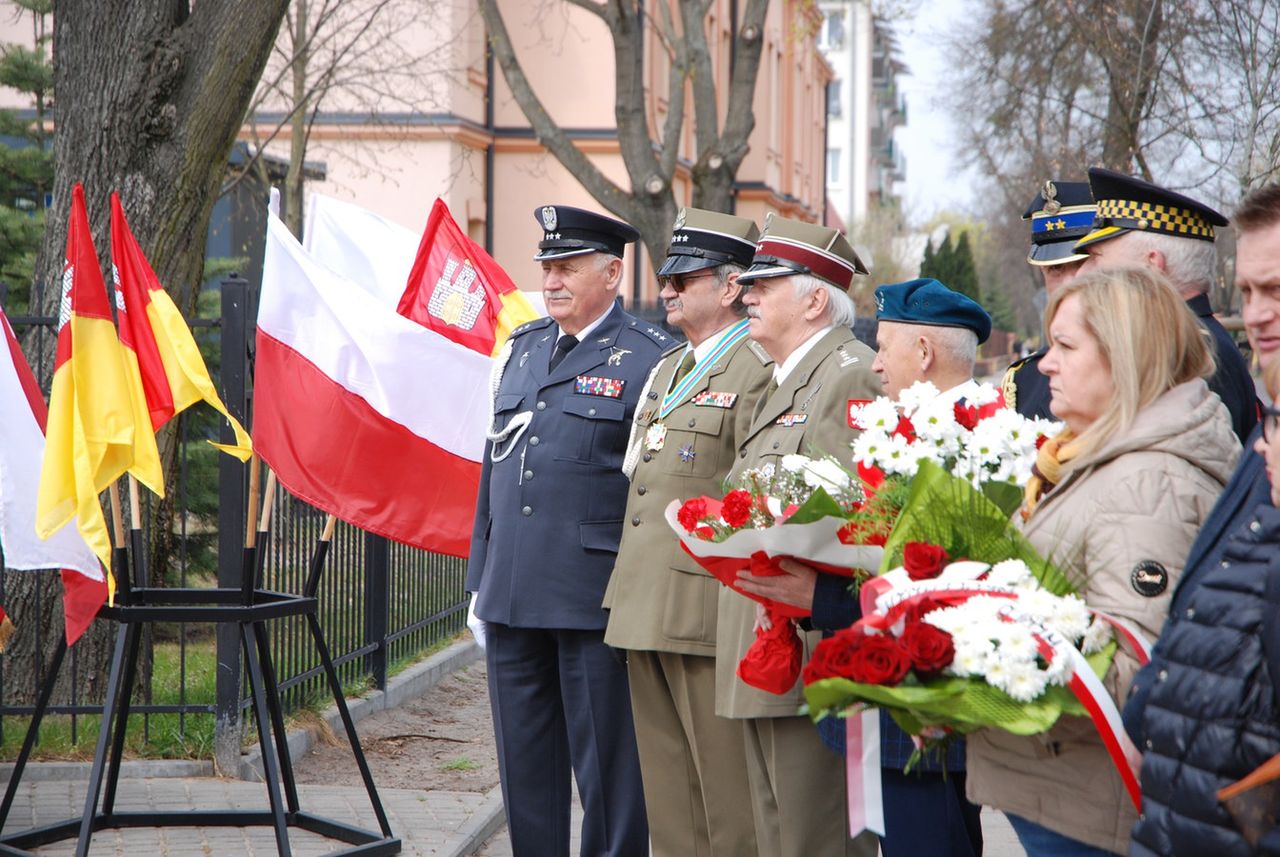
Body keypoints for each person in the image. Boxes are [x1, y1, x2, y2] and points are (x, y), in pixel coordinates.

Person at [964, 266, 1239, 856]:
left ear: (1125, 355)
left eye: (1065, 346)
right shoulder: (1095, 457)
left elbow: (1135, 671)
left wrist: (969, 659)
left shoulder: (1145, 482)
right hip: (1066, 792)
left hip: (1093, 811)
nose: (1044, 363)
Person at [742, 277, 992, 857]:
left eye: (883, 347)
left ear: (924, 353)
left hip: (925, 714)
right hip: (894, 707)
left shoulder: (967, 442)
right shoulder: (920, 434)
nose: (875, 365)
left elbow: (942, 594)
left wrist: (819, 599)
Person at [465, 204, 668, 857]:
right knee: (527, 777)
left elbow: (653, 489)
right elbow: (493, 468)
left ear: (612, 273)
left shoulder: (650, 359)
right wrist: (481, 579)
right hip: (515, 594)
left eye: (567, 267)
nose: (551, 280)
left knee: (610, 778)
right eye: (546, 267)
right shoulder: (521, 350)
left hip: (594, 600)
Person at [602, 207, 771, 857]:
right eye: (667, 280)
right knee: (669, 799)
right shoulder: (671, 367)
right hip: (644, 604)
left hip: (706, 610)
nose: (667, 291)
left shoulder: (756, 367)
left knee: (726, 800)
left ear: (731, 286)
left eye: (684, 279)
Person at [715, 213, 881, 857]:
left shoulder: (849, 373)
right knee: (777, 836)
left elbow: (861, 525)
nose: (746, 294)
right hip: (768, 648)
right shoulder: (785, 375)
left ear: (815, 299)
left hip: (810, 649)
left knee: (816, 842)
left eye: (765, 283)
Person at [1123, 183, 1280, 854]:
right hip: (1195, 807)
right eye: (1246, 292)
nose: (1256, 315)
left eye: (1275, 290)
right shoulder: (1269, 420)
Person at [1075, 167, 1258, 442]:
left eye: (1097, 257)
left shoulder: (1191, 355)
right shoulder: (1190, 344)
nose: (1082, 273)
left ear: (1152, 265)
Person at [1002, 179, 1095, 419]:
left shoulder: (1151, 364)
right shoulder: (1026, 381)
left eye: (1079, 264)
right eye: (1054, 270)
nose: (1067, 283)